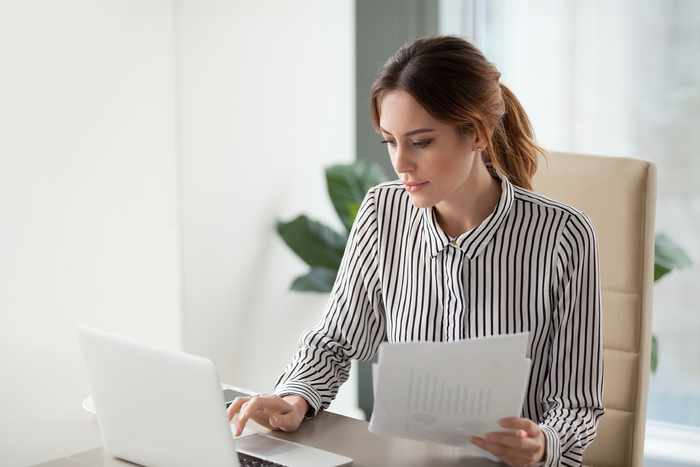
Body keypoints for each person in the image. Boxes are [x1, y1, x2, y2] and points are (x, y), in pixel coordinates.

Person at [228, 35, 605, 467]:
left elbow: (577, 403)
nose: (401, 163)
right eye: (390, 141)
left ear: (477, 134)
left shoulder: (563, 234)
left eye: (421, 142)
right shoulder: (382, 211)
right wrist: (294, 397)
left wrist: (543, 445)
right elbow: (334, 340)